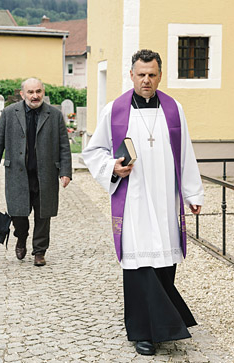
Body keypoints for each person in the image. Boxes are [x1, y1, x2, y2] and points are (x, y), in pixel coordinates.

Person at [82, 49, 203, 355]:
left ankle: (162, 327)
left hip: (165, 198)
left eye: (152, 74)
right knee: (138, 264)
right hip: (133, 199)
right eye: (141, 74)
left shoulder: (174, 109)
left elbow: (185, 153)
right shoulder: (115, 110)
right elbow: (93, 151)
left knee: (163, 261)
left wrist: (193, 193)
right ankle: (142, 332)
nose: (146, 80)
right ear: (131, 75)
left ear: (159, 76)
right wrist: (113, 168)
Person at [0, 78, 72, 266]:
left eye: (38, 91)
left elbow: (64, 146)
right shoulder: (9, 113)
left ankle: (39, 251)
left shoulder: (54, 115)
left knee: (43, 215)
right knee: (18, 214)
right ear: (23, 94)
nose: (35, 96)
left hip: (45, 174)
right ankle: (21, 237)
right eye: (30, 92)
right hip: (17, 174)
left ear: (43, 91)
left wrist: (65, 171)